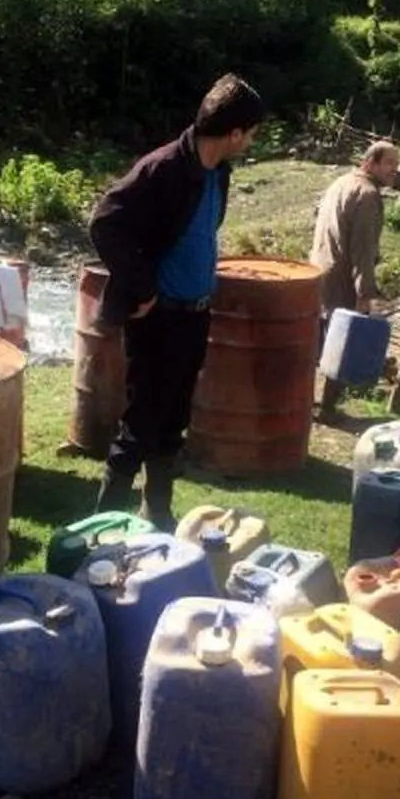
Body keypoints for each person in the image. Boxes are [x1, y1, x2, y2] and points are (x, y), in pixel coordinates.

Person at [89, 73, 265, 530]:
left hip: (194, 314)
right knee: (141, 423)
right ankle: (101, 526)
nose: (250, 142)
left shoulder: (218, 174)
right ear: (234, 133)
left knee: (172, 423)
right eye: (250, 134)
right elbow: (106, 223)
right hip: (158, 317)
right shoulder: (163, 168)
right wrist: (143, 288)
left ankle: (158, 514)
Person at [309, 140, 399, 418]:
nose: (394, 171)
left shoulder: (341, 182)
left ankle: (304, 400)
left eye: (397, 166)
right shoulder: (368, 194)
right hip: (342, 276)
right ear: (370, 162)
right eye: (389, 164)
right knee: (341, 341)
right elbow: (363, 250)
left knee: (316, 340)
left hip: (318, 270)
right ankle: (327, 408)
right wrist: (365, 293)